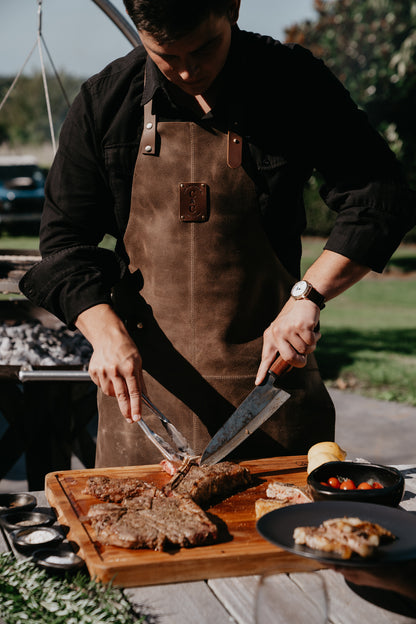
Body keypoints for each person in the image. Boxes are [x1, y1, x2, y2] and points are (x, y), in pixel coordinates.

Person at [20, 0, 415, 467]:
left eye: (205, 49)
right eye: (166, 56)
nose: (187, 72)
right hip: (143, 411)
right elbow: (64, 244)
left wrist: (308, 295)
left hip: (273, 399)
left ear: (233, 7)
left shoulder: (293, 82)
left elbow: (378, 196)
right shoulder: (105, 101)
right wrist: (103, 332)